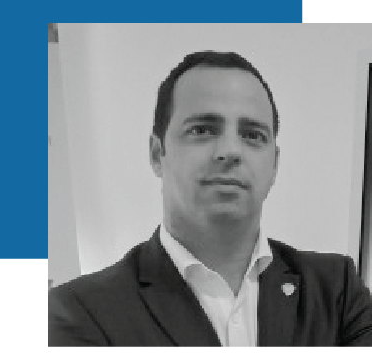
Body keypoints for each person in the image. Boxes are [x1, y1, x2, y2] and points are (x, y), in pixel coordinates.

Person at [48, 51, 372, 346]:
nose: (230, 151)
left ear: (274, 164)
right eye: (202, 130)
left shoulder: (336, 291)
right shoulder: (79, 312)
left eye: (252, 135)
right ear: (158, 154)